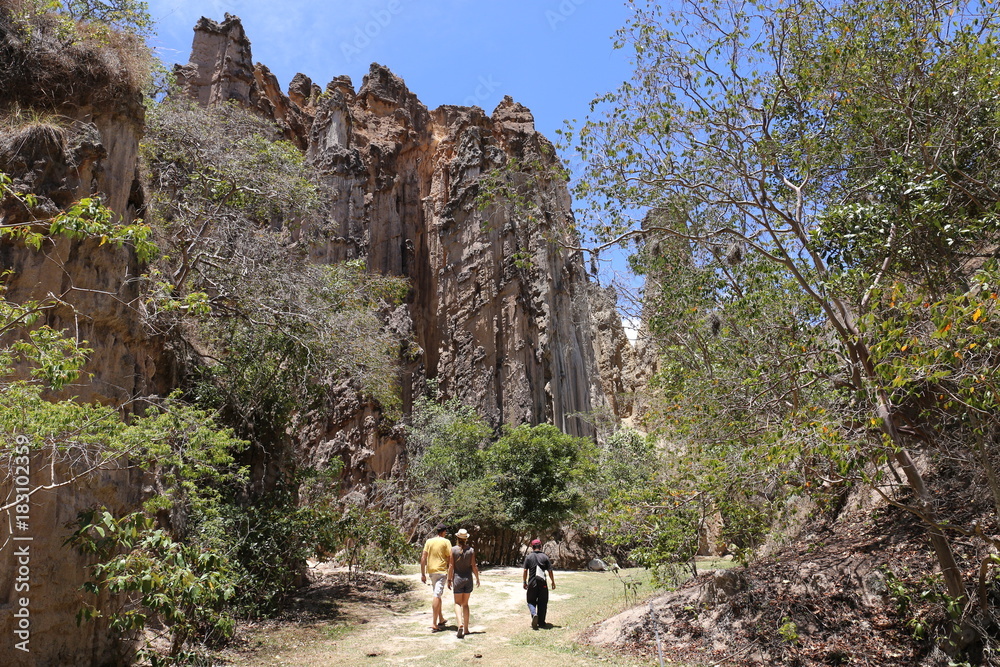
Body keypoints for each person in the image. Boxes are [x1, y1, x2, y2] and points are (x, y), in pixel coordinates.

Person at [447, 528, 481, 639]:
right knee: (465, 604)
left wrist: (449, 579)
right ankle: (466, 628)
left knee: (457, 603)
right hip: (468, 579)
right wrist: (477, 578)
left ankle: (459, 624)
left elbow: (451, 566)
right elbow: (474, 566)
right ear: (466, 539)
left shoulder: (453, 550)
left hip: (457, 579)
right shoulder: (471, 550)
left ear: (457, 538)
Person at [420, 523, 453, 632]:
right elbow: (450, 558)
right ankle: (434, 623)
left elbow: (423, 557)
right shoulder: (446, 542)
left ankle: (441, 618)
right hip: (441, 571)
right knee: (437, 595)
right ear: (443, 532)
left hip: (431, 571)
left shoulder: (429, 541)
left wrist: (423, 573)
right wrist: (450, 574)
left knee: (437, 594)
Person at [522, 538, 555, 629]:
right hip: (542, 583)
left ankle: (534, 613)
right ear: (540, 546)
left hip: (532, 583)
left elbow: (525, 570)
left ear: (532, 547)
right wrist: (552, 582)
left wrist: (524, 582)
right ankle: (541, 622)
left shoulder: (528, 557)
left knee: (531, 601)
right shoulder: (545, 557)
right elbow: (550, 571)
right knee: (543, 603)